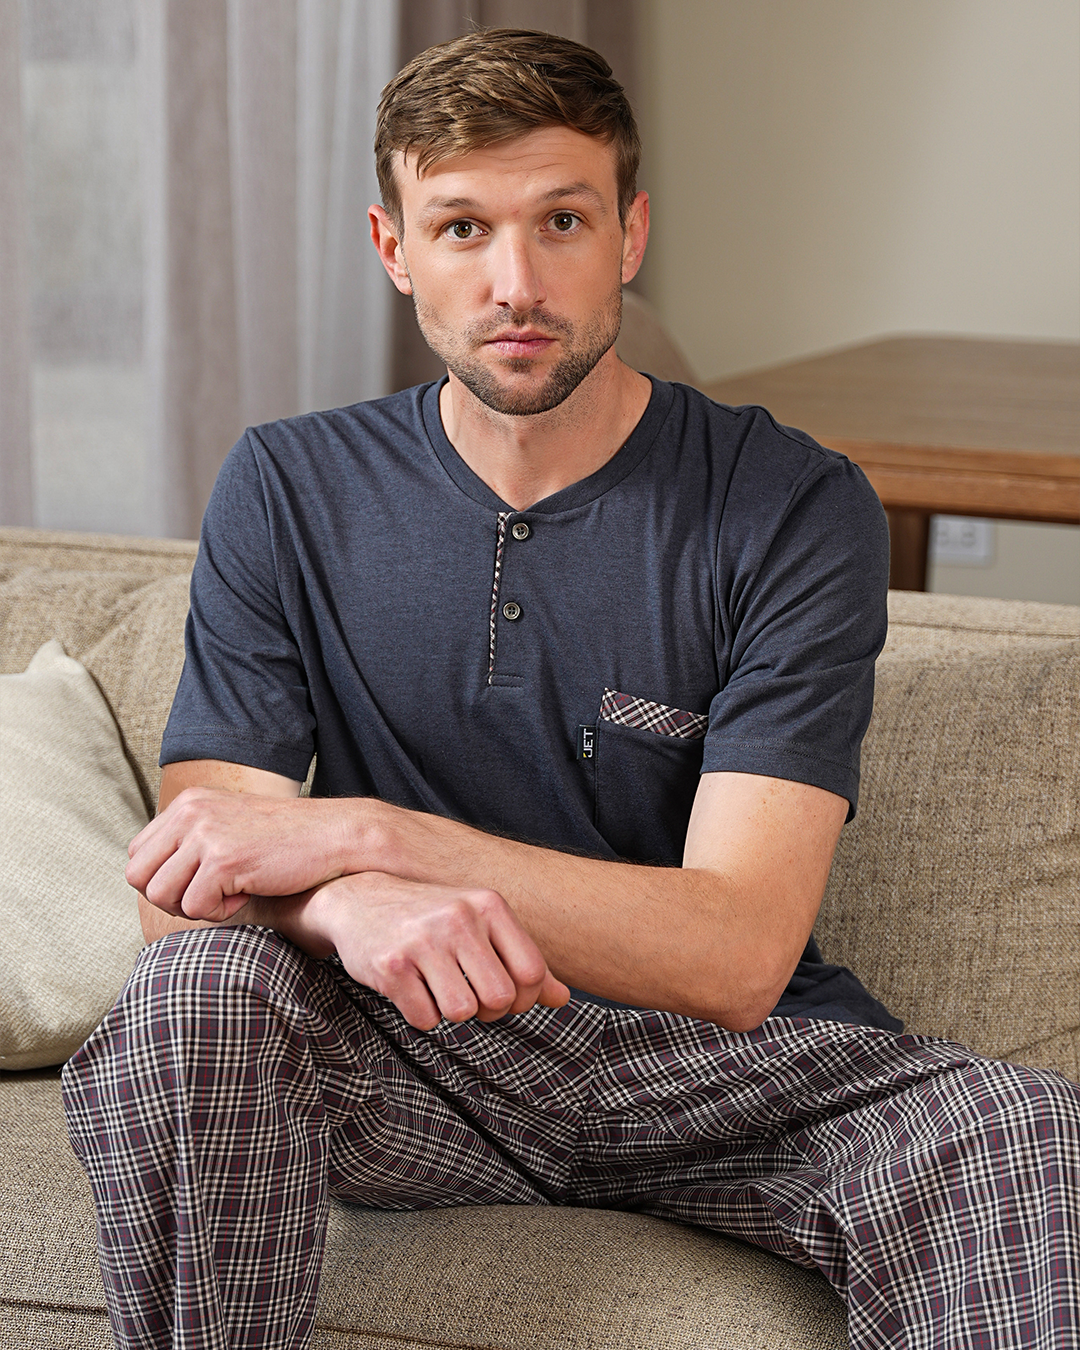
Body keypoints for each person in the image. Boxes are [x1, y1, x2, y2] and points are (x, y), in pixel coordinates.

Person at [63, 27, 1079, 1350]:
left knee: (1020, 1128)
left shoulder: (791, 506)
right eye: (462, 227)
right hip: (414, 1050)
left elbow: (735, 954)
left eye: (562, 220)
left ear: (630, 234)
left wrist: (372, 836)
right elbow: (193, 877)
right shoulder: (287, 487)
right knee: (195, 992)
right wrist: (347, 902)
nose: (517, 283)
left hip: (717, 1076)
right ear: (393, 248)